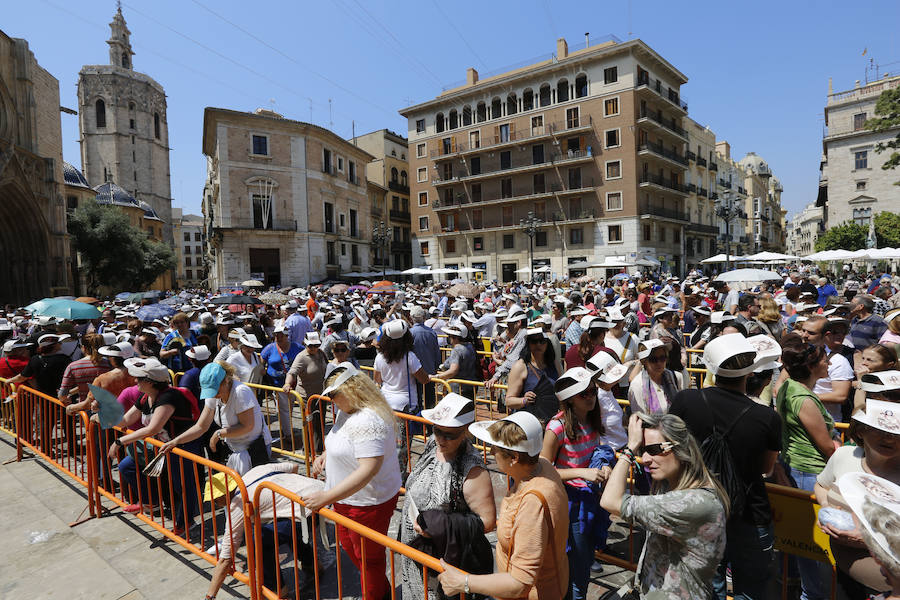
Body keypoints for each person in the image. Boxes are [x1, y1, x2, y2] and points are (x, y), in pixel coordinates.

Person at [669, 333, 783, 600]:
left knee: (707, 583)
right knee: (751, 588)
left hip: (696, 505)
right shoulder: (767, 417)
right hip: (748, 512)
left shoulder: (686, 400)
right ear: (750, 370)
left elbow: (671, 445)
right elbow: (766, 467)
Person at [300, 363, 401, 600]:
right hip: (348, 500)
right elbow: (345, 439)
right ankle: (381, 592)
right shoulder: (348, 411)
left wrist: (326, 497)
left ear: (352, 390)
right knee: (355, 551)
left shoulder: (368, 420)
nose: (332, 400)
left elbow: (369, 468)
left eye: (334, 395)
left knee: (369, 560)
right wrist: (327, 455)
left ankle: (376, 595)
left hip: (366, 503)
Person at [440, 412, 569, 599]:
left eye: (495, 448)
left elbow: (520, 584)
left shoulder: (533, 504)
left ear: (514, 458)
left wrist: (464, 582)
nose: (491, 452)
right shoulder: (543, 465)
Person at [600, 412, 728, 600]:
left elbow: (609, 501)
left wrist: (629, 449)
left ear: (680, 448)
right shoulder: (672, 483)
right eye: (642, 449)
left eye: (653, 449)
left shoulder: (693, 504)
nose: (644, 458)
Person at [399, 394, 497, 600]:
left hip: (443, 566)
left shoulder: (473, 470)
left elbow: (487, 521)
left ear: (466, 431)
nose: (441, 439)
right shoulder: (433, 446)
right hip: (416, 556)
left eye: (450, 434)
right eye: (437, 430)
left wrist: (439, 525)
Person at [541, 367, 615, 600]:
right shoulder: (557, 427)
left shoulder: (592, 420)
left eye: (593, 391)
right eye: (585, 393)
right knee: (577, 572)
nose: (592, 396)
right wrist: (583, 472)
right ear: (570, 398)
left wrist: (604, 466)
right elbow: (543, 468)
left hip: (590, 500)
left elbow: (593, 454)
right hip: (570, 506)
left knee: (582, 565)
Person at [107, 357, 201, 536]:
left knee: (182, 486)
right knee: (127, 466)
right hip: (164, 447)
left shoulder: (168, 397)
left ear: (150, 382)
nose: (135, 381)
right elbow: (126, 420)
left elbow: (153, 428)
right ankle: (152, 502)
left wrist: (120, 441)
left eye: (139, 379)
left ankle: (187, 523)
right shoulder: (146, 397)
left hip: (182, 447)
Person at [815, 400, 899, 598]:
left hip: (887, 585)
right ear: (861, 431)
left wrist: (867, 538)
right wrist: (828, 507)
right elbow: (821, 485)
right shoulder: (844, 455)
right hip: (839, 568)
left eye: (896, 433)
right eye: (879, 430)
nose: (889, 438)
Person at [777, 334, 836, 600]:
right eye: (825, 359)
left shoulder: (787, 385)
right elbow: (825, 445)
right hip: (809, 472)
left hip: (797, 468)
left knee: (801, 546)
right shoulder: (805, 399)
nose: (829, 363)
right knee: (812, 551)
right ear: (812, 366)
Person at [159, 362, 271, 474]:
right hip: (234, 449)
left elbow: (247, 426)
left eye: (215, 390)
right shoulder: (214, 395)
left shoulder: (240, 392)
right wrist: (175, 441)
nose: (213, 395)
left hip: (253, 450)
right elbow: (201, 426)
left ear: (226, 380)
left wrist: (219, 434)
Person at [505, 327, 560, 426]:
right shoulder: (520, 366)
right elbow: (509, 400)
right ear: (528, 344)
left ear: (547, 343)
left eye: (542, 341)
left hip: (552, 422)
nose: (538, 344)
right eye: (534, 341)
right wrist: (524, 400)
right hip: (529, 424)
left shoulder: (554, 364)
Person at [261, 324, 302, 440]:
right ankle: (288, 434)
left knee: (288, 409)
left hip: (295, 383)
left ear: (286, 336)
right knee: (284, 410)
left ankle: (286, 430)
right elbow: (262, 361)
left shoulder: (296, 347)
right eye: (276, 335)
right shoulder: (269, 348)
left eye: (281, 335)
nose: (278, 338)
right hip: (277, 385)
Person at [628, 339, 684, 414]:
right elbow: (640, 417)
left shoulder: (676, 377)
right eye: (653, 359)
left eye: (662, 358)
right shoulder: (637, 385)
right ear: (644, 361)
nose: (659, 363)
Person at [434, 324, 480, 400]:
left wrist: (437, 377)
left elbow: (453, 370)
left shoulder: (457, 350)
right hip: (470, 386)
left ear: (455, 337)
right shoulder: (470, 346)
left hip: (459, 389)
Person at [410, 306, 440, 410]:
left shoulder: (410, 333)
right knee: (430, 399)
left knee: (416, 399)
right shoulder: (431, 332)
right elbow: (437, 352)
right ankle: (429, 424)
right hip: (429, 371)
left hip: (415, 373)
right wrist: (435, 367)